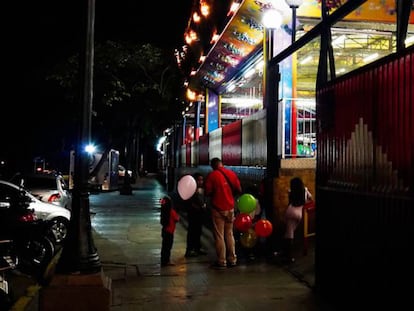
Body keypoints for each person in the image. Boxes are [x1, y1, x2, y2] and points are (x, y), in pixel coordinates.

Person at [205, 157, 242, 269]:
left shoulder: (212, 175)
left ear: (213, 166)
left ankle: (222, 261)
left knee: (219, 236)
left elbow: (207, 192)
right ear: (221, 164)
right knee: (229, 234)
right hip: (230, 208)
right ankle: (232, 259)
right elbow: (239, 189)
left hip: (217, 209)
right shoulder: (231, 173)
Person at [276, 177, 312, 264]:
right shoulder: (305, 190)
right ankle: (285, 254)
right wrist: (305, 201)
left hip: (290, 211)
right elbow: (311, 199)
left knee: (289, 234)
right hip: (299, 213)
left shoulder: (291, 192)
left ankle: (287, 256)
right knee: (289, 234)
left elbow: (289, 203)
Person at [185, 172, 208, 257]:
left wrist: (204, 205)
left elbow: (203, 200)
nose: (200, 182)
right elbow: (189, 201)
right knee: (192, 231)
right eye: (198, 180)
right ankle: (189, 250)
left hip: (200, 213)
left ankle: (197, 248)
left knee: (198, 231)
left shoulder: (201, 190)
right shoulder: (191, 189)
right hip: (193, 213)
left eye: (201, 180)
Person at [160, 194, 180, 267]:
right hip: (170, 232)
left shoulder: (163, 211)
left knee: (164, 247)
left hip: (164, 231)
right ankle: (167, 261)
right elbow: (177, 219)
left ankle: (163, 260)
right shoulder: (171, 211)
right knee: (168, 247)